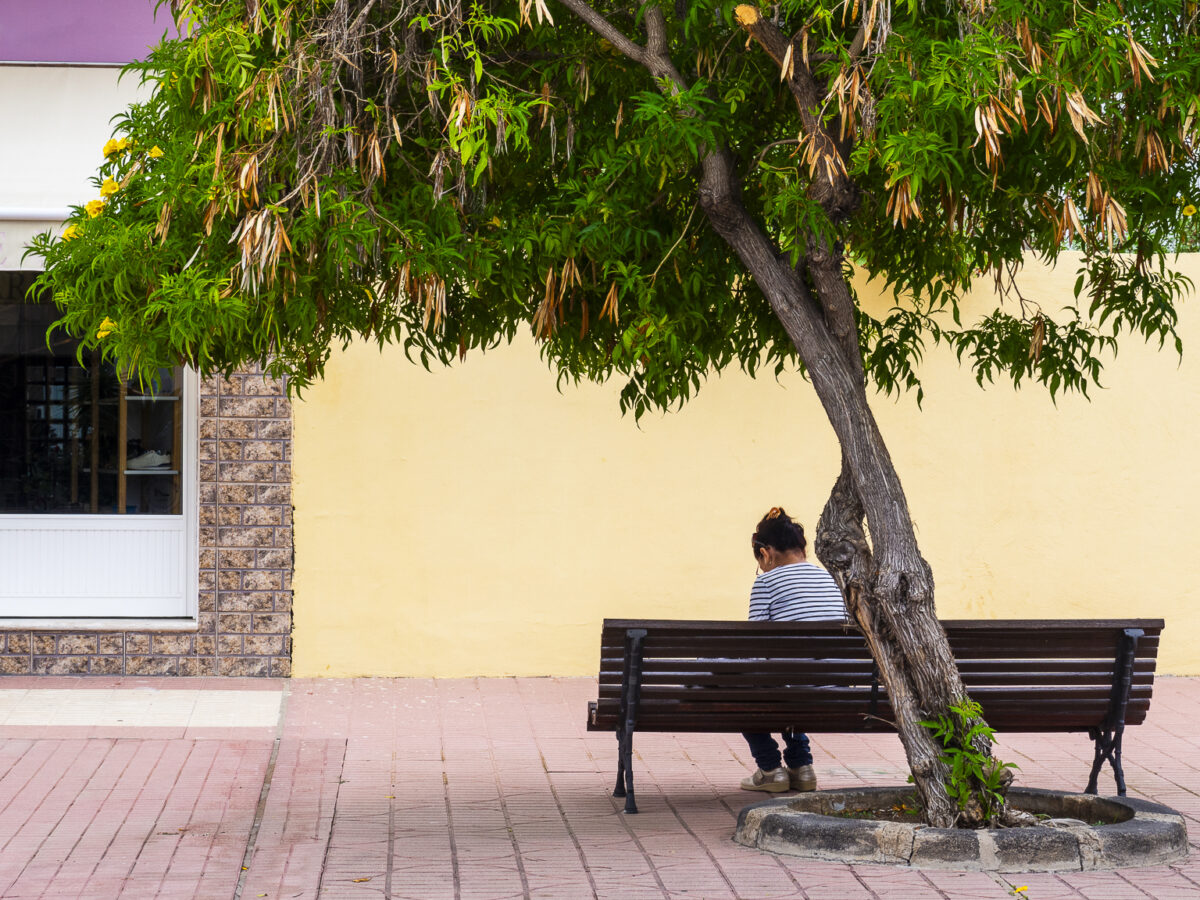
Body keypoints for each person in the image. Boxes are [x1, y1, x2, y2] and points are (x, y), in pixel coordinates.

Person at [740, 506, 848, 793]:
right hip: (833, 686)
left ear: (765, 553)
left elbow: (756, 647)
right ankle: (802, 767)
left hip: (789, 685)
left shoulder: (766, 581)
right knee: (787, 675)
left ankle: (770, 769)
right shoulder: (831, 581)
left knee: (741, 688)